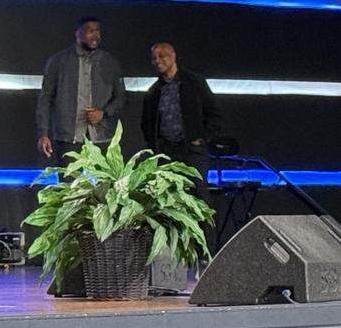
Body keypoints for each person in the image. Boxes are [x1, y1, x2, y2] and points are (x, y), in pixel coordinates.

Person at [36, 17, 126, 165]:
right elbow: (45, 99)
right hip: (68, 137)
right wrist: (43, 133)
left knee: (104, 187)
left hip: (102, 136)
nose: (96, 35)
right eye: (91, 31)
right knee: (68, 187)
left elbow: (121, 97)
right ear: (77, 33)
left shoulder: (110, 62)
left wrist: (104, 113)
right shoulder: (58, 61)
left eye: (98, 31)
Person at [141, 42, 221, 208]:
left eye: (161, 56)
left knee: (198, 198)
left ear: (173, 56)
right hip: (166, 152)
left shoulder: (194, 82)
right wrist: (155, 147)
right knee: (166, 199)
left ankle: (205, 234)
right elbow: (146, 124)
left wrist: (202, 138)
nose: (157, 61)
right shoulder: (154, 91)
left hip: (192, 151)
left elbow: (214, 113)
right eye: (154, 58)